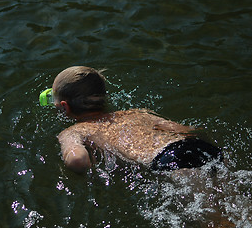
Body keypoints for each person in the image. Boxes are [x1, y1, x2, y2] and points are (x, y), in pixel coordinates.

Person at [43, 66, 223, 174]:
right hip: (198, 146)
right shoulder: (137, 113)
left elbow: (77, 160)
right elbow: (184, 130)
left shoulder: (74, 131)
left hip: (170, 160)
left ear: (64, 107)